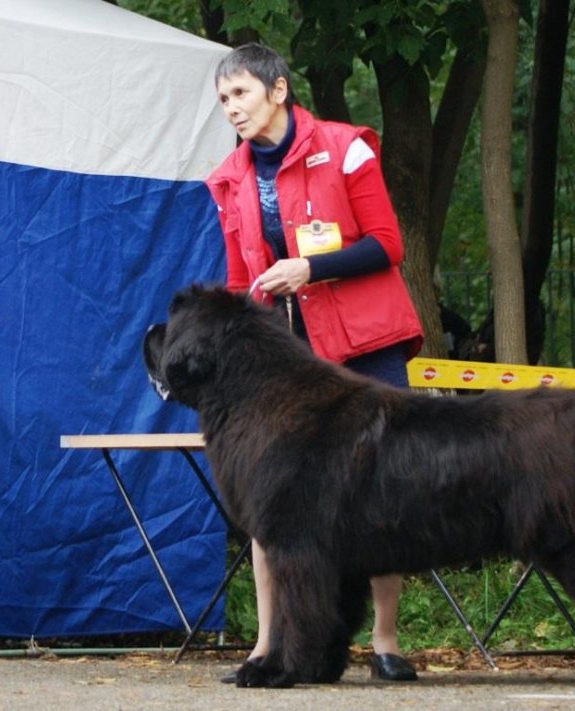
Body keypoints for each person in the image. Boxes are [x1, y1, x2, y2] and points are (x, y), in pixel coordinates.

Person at [204, 42, 424, 683]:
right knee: (269, 496)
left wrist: (310, 268)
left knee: (383, 490)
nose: (231, 109)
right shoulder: (229, 178)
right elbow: (240, 280)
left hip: (366, 346)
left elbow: (388, 244)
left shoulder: (346, 147)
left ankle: (384, 639)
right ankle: (268, 644)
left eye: (240, 93)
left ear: (278, 89)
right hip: (289, 361)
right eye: (222, 100)